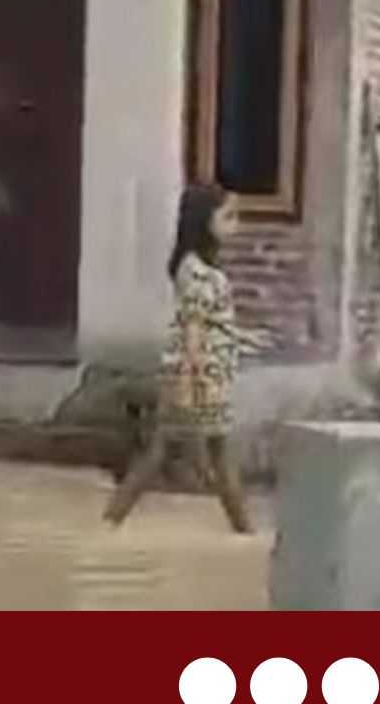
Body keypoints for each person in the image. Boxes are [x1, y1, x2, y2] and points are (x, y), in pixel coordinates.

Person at [104, 184, 265, 533]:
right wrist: (189, 381)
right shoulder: (197, 272)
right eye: (228, 216)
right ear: (204, 221)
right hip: (201, 378)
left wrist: (241, 336)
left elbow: (209, 322)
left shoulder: (200, 269)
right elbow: (193, 328)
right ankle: (244, 529)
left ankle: (112, 520)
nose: (236, 224)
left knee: (173, 451)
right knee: (190, 452)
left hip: (205, 376)